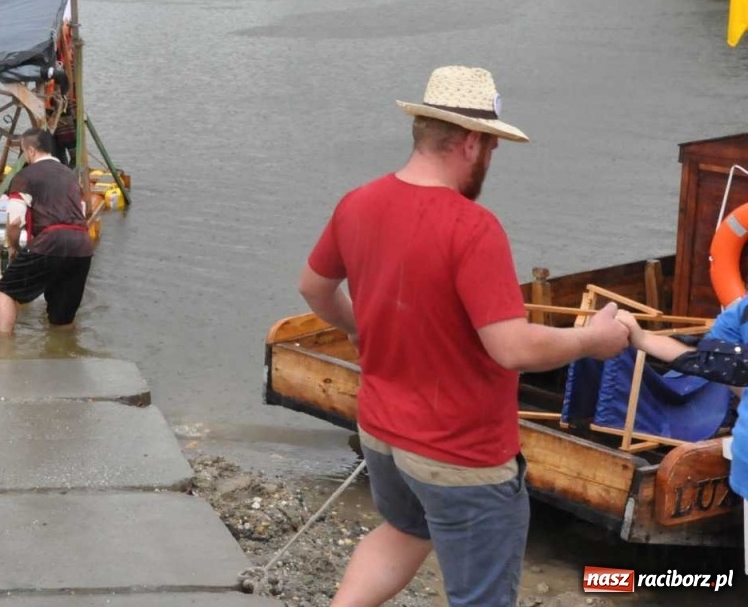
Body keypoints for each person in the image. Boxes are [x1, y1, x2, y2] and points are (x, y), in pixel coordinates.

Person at [297, 65, 630, 607]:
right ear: (471, 143)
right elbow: (513, 348)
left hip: (382, 433)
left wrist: (360, 327)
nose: (491, 161)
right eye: (493, 148)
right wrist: (591, 339)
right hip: (461, 455)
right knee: (481, 596)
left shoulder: (357, 202)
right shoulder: (472, 227)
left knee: (405, 530)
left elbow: (313, 288)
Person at [617, 303, 748, 565]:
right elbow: (712, 362)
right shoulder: (741, 312)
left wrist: (641, 337)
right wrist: (641, 337)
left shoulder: (741, 311)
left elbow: (713, 363)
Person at [0, 128, 95, 333]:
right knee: (62, 318)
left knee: (7, 290)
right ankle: (64, 354)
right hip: (82, 245)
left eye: (23, 151)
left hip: (51, 240)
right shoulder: (69, 175)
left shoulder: (25, 176)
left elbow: (14, 222)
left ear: (30, 151)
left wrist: (13, 247)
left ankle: (3, 354)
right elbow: (81, 210)